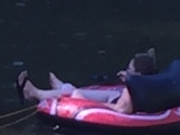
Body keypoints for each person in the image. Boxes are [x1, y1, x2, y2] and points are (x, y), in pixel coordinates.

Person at [15, 48, 157, 114]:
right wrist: (128, 78)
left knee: (75, 94)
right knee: (72, 90)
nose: (126, 72)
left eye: (129, 70)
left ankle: (35, 93)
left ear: (139, 74)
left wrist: (85, 102)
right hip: (116, 98)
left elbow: (120, 110)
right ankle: (62, 86)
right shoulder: (144, 85)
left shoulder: (134, 92)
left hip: (115, 104)